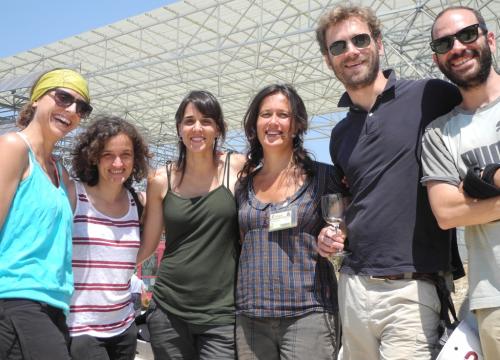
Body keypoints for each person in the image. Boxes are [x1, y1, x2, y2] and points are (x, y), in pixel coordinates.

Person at [314, 5, 463, 359]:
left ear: (378, 44)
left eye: (360, 39)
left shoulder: (432, 96)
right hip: (353, 285)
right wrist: (335, 232)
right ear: (328, 59)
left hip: (412, 288)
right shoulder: (340, 134)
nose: (351, 51)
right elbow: (354, 200)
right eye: (338, 46)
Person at [137, 90, 245, 359]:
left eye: (206, 120)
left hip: (221, 313)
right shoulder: (161, 179)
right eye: (189, 121)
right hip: (168, 311)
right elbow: (148, 246)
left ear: (218, 128)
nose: (197, 128)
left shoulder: (239, 168)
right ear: (179, 128)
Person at [235, 83, 339, 359]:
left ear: (296, 125)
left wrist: (335, 236)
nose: (273, 122)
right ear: (255, 124)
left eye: (283, 114)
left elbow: (347, 222)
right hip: (251, 318)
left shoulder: (323, 177)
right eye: (265, 114)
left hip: (308, 314)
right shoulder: (243, 186)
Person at [422, 6, 500, 359]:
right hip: (494, 298)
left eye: (467, 34)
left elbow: (464, 207)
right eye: (443, 43)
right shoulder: (439, 133)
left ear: (490, 38)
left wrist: (483, 185)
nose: (457, 47)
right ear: (438, 59)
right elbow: (448, 212)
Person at [0, 68, 92, 359]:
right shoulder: (13, 148)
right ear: (37, 99)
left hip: (54, 306)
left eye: (82, 107)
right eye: (64, 97)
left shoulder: (62, 175)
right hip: (16, 300)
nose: (73, 110)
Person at [66, 116, 151, 360]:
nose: (117, 163)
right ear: (92, 157)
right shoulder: (74, 195)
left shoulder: (137, 202)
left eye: (126, 154)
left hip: (124, 327)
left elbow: (138, 252)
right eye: (107, 155)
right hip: (82, 328)